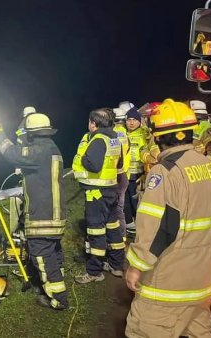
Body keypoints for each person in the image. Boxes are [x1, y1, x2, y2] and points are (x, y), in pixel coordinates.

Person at [125, 99, 211, 337]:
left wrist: (137, 266)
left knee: (142, 331)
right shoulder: (209, 167)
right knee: (199, 332)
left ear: (158, 137)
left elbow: (156, 227)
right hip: (201, 282)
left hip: (168, 285)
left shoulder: (165, 172)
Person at [0, 112, 68, 310]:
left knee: (42, 256)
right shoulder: (51, 147)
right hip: (55, 212)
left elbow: (12, 154)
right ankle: (57, 284)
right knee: (53, 253)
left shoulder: (38, 151)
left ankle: (59, 298)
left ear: (32, 134)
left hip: (42, 215)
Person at [73, 108, 124, 283]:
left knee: (96, 231)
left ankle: (94, 272)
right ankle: (117, 266)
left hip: (96, 193)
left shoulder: (97, 139)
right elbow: (121, 163)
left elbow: (93, 165)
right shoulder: (115, 138)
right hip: (111, 190)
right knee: (113, 228)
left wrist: (82, 159)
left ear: (93, 124)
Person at [112, 107, 131, 241]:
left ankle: (119, 238)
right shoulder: (125, 133)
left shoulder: (113, 134)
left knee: (116, 210)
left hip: (116, 175)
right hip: (124, 174)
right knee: (120, 208)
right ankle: (122, 237)